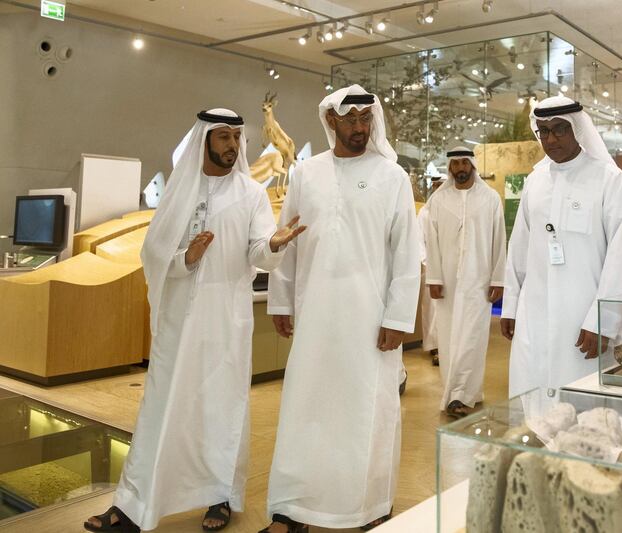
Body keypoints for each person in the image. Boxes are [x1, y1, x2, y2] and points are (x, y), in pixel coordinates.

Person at [84, 109, 305, 533]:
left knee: (222, 408)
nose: (232, 146)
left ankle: (219, 496)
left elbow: (258, 253)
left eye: (236, 138)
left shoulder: (252, 195)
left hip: (226, 320)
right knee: (160, 410)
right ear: (204, 140)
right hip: (178, 321)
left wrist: (274, 246)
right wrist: (185, 259)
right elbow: (152, 254)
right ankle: (133, 505)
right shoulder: (178, 192)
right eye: (223, 137)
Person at [262, 85, 420, 533]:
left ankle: (368, 504)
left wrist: (396, 317)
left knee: (368, 410)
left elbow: (407, 253)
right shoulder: (307, 174)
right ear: (330, 120)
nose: (359, 128)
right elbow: (288, 239)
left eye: (365, 119)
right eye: (349, 119)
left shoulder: (392, 177)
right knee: (305, 408)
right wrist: (281, 299)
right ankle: (293, 508)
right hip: (314, 316)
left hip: (370, 321)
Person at [501, 96, 622, 398]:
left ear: (578, 129)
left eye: (560, 129)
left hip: (583, 316)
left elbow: (620, 256)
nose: (551, 139)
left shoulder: (609, 180)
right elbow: (519, 246)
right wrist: (510, 305)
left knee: (582, 404)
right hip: (534, 311)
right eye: (544, 131)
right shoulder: (535, 181)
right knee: (533, 392)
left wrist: (604, 320)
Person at [425, 147, 506, 417]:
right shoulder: (438, 200)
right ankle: (457, 392)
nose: (460, 168)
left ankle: (462, 394)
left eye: (464, 163)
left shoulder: (490, 198)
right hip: (447, 281)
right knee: (448, 339)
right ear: (449, 167)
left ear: (472, 165)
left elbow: (498, 241)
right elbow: (431, 241)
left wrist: (498, 278)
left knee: (473, 337)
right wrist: (434, 277)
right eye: (455, 163)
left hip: (479, 281)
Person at [419, 175, 445, 366]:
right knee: (432, 310)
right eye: (435, 185)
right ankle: (436, 347)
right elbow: (418, 240)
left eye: (440, 185)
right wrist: (428, 263)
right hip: (430, 270)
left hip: (453, 270)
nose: (437, 188)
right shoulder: (425, 213)